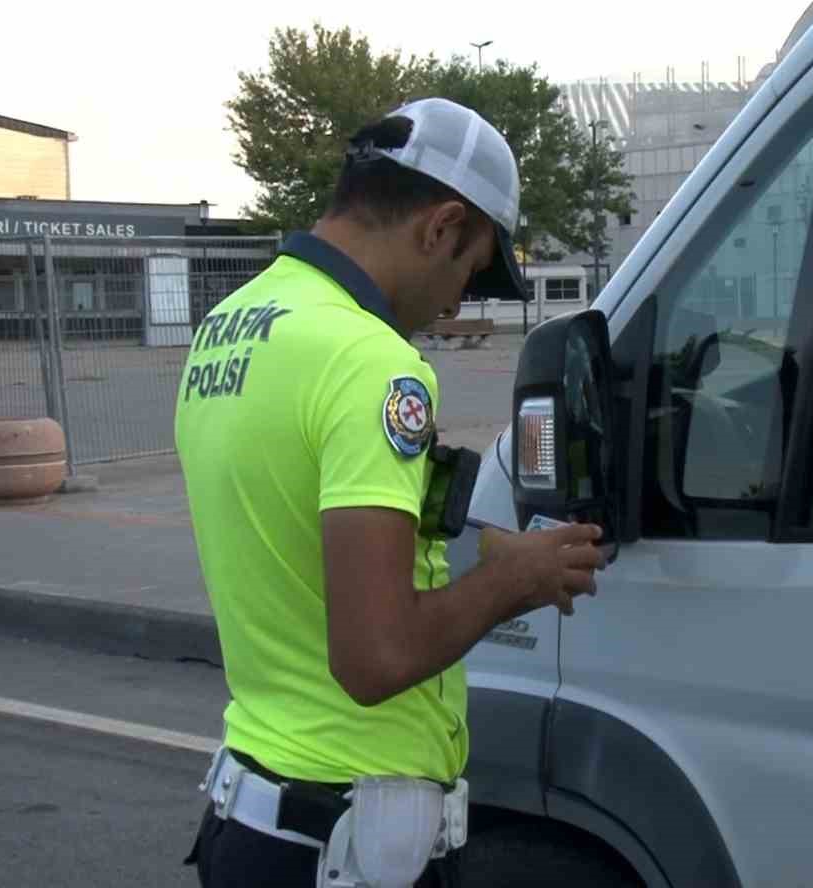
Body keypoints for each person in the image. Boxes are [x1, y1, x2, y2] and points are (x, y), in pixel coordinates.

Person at [174, 97, 606, 887]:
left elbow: (297, 531)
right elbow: (376, 658)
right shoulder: (371, 361)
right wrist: (513, 580)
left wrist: (475, 545)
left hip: (256, 817)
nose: (452, 305)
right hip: (341, 839)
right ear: (440, 227)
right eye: (468, 270)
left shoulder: (229, 327)